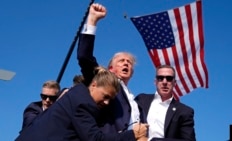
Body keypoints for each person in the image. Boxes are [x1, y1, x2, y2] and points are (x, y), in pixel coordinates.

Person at [15, 67, 148, 141]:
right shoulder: (83, 104)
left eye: (110, 99)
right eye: (105, 96)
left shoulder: (76, 94)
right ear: (94, 85)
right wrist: (133, 134)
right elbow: (95, 139)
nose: (107, 102)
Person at [77, 3, 146, 134]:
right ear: (111, 68)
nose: (126, 64)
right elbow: (84, 57)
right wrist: (92, 20)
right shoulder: (103, 82)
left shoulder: (135, 101)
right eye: (121, 61)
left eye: (129, 62)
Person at [135, 65, 196, 141]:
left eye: (169, 78)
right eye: (160, 78)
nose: (164, 82)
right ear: (155, 82)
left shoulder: (184, 111)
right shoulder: (141, 99)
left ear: (174, 83)